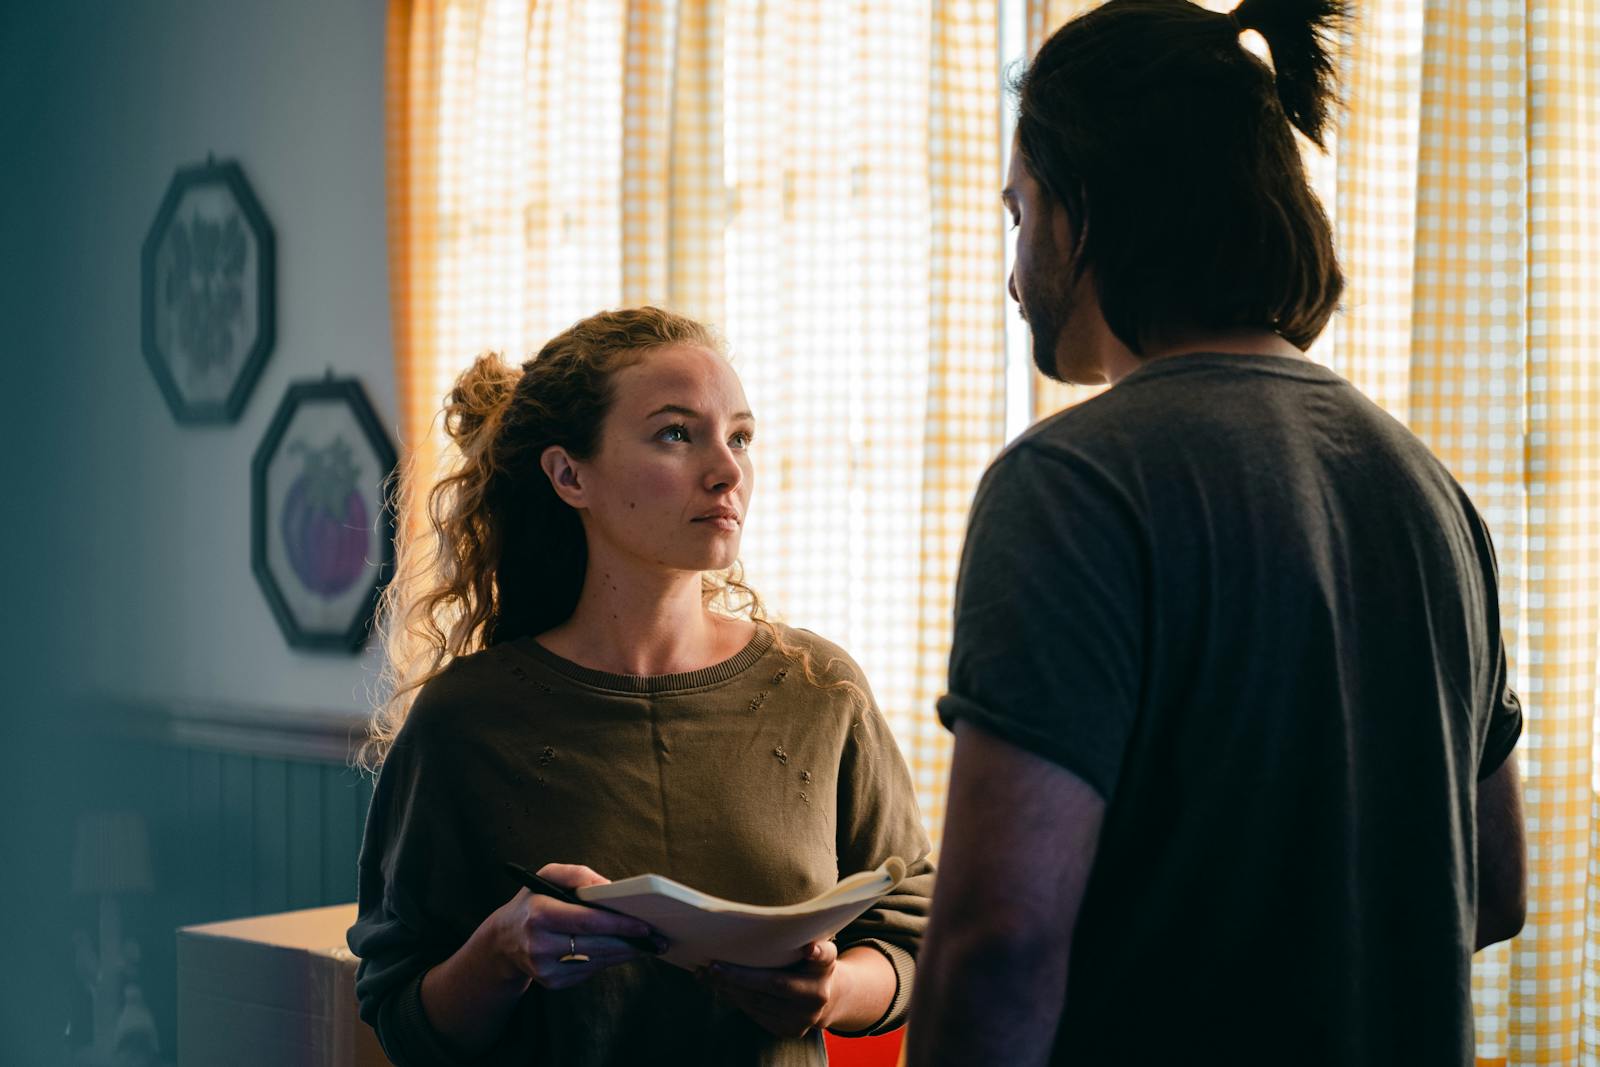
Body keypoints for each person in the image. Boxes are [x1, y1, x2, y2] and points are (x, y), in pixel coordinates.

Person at [907, 0, 1526, 1064]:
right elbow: (1494, 886)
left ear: (1084, 208)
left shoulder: (1069, 484)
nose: (1013, 272)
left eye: (1018, 212)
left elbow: (999, 940)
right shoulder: (1429, 489)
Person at [348, 307, 933, 1067]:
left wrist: (834, 991)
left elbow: (916, 929)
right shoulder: (464, 720)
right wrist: (501, 951)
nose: (727, 471)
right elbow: (400, 1016)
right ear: (570, 475)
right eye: (676, 434)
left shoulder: (822, 692)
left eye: (740, 437)